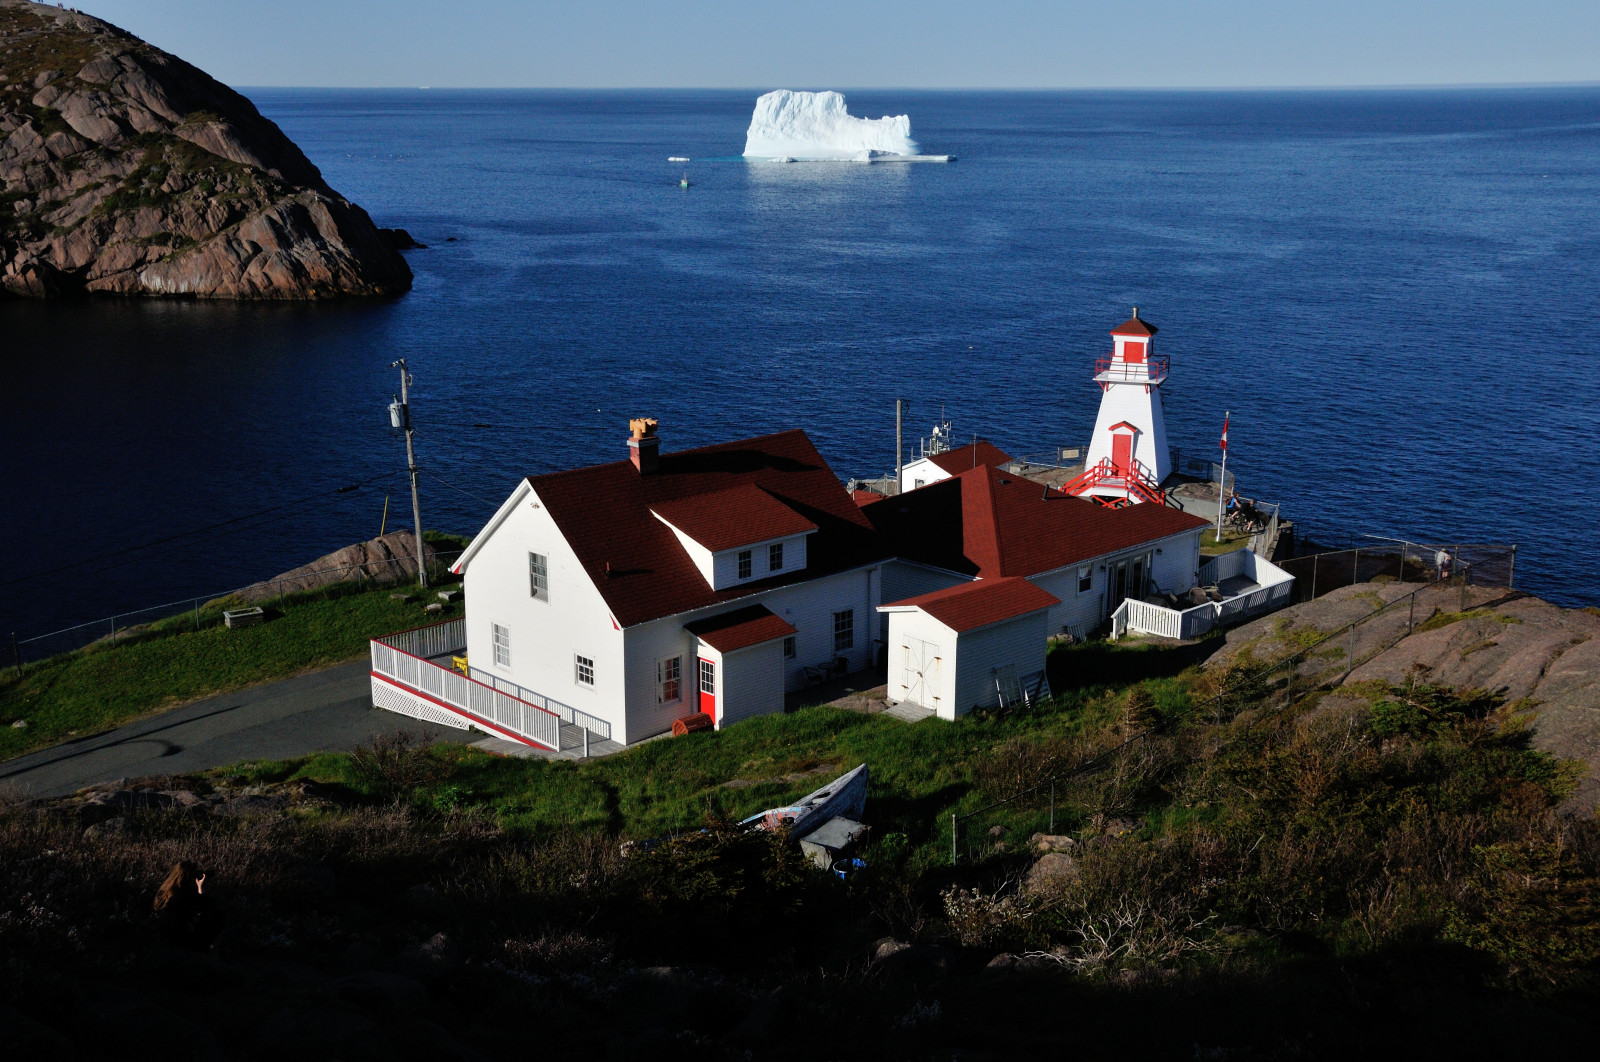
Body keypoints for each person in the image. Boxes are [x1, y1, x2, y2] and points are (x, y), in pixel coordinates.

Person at [152, 860, 226, 951]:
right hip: (182, 937)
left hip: (166, 934)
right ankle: (212, 953)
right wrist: (200, 887)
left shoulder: (164, 892)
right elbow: (208, 904)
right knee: (219, 916)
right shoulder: (185, 895)